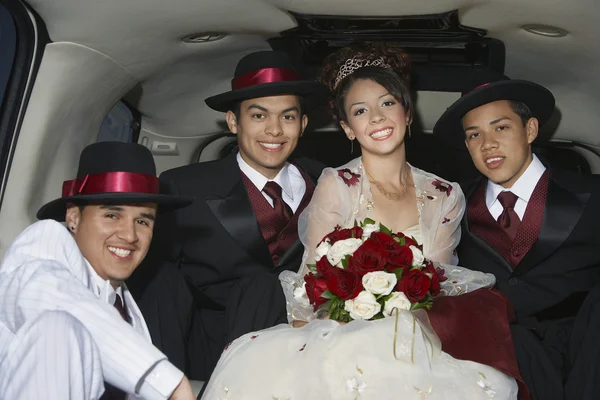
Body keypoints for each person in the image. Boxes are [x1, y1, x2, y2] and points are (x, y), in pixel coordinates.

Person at [200, 43, 527, 400]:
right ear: (348, 128)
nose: (376, 118)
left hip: (418, 331)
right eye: (360, 110)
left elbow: (438, 280)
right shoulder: (335, 184)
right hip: (339, 327)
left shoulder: (444, 193)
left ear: (408, 113)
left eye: (387, 103)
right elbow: (312, 277)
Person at [128, 50, 328, 381]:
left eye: (288, 117)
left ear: (303, 124)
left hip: (306, 350)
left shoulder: (326, 183)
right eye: (259, 116)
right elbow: (159, 289)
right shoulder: (184, 186)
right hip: (209, 350)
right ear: (233, 121)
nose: (274, 131)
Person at [433, 76, 600, 399]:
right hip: (504, 363)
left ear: (531, 130)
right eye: (474, 135)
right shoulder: (451, 209)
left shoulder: (592, 195)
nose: (488, 144)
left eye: (501, 128)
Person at [0, 141, 197, 400]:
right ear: (73, 217)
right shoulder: (46, 242)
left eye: (142, 221)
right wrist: (170, 383)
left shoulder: (131, 313)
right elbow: (48, 296)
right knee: (59, 327)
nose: (129, 235)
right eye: (112, 216)